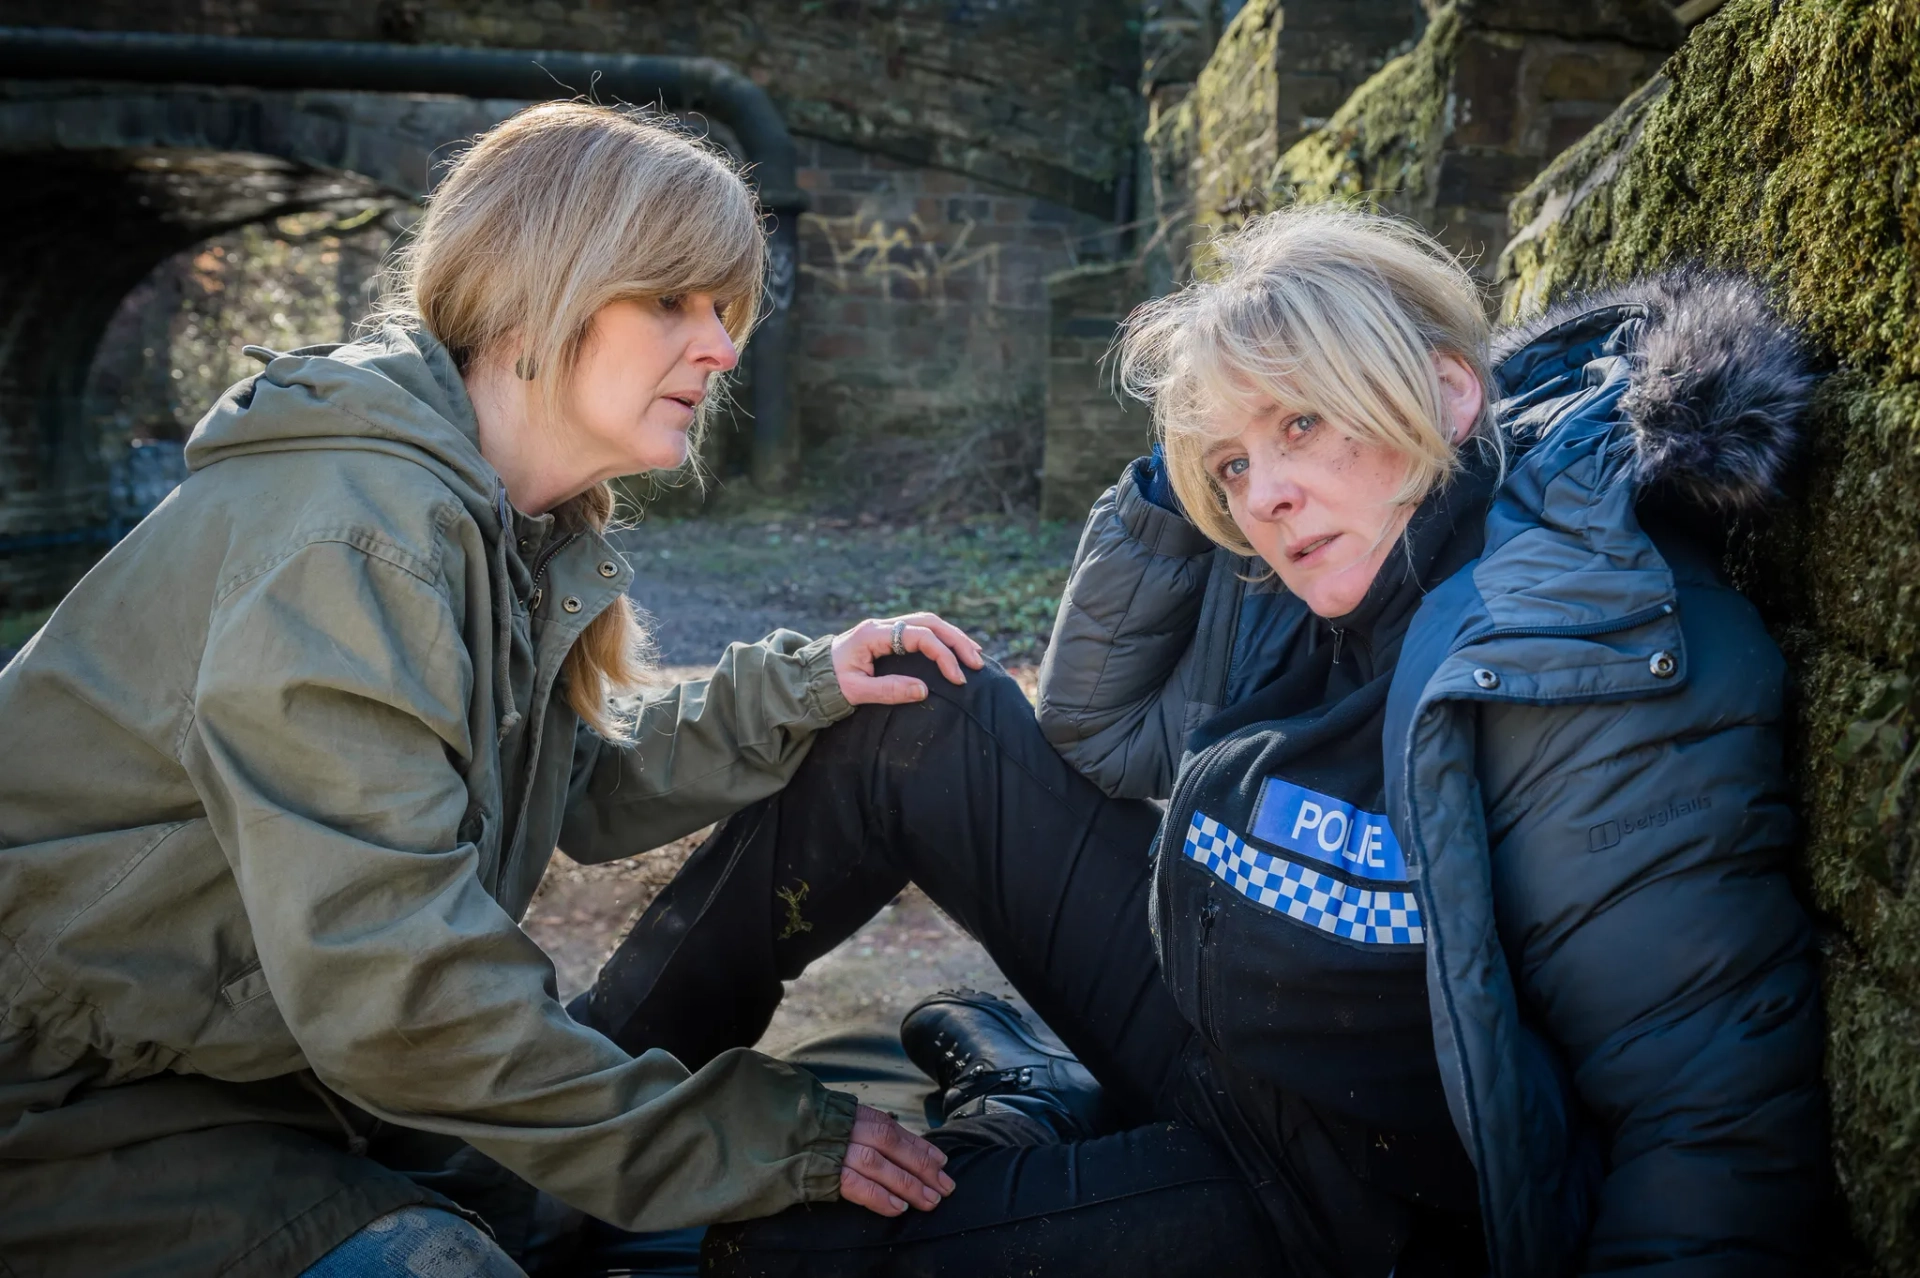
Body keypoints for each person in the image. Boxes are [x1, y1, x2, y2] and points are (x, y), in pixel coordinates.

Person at [572, 206, 1830, 1277]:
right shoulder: (1324, 566)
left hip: (1341, 1202)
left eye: (1301, 426)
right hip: (1207, 1009)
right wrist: (1181, 486)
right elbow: (1098, 733)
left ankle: (1038, 1118)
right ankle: (560, 1122)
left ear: (1447, 395)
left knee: (788, 1253)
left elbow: (1710, 1115)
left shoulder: (1591, 647)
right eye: (1232, 462)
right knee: (905, 713)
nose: (1264, 497)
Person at [0, 101, 971, 1277]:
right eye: (673, 300)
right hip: (65, 1101)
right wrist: (751, 1136)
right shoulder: (356, 537)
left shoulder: (508, 523)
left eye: (727, 312)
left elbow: (572, 779)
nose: (721, 348)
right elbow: (398, 987)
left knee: (588, 1218)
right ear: (537, 289)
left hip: (255, 1069)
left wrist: (801, 688)